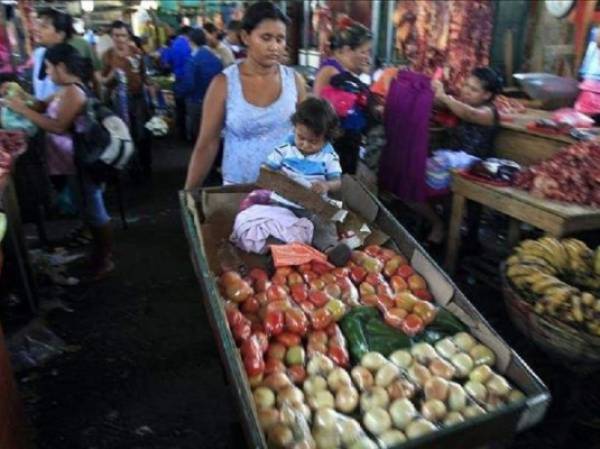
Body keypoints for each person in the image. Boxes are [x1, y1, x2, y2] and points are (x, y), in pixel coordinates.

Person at [5, 44, 114, 279]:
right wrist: (19, 97)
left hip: (82, 162)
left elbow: (57, 125)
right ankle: (97, 252)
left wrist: (22, 110)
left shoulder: (75, 92)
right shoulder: (62, 89)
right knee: (86, 208)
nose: (47, 72)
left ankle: (105, 258)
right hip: (69, 163)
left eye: (48, 67)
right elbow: (41, 106)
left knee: (95, 211)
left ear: (61, 66)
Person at [185, 1, 306, 189]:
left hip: (288, 189)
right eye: (266, 38)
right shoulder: (223, 84)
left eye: (280, 39)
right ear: (246, 37)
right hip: (239, 191)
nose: (274, 46)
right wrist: (189, 193)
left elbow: (306, 135)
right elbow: (207, 144)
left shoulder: (294, 81)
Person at [416, 67, 502, 244]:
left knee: (421, 180)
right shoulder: (462, 103)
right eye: (466, 86)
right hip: (453, 163)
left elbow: (468, 114)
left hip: (474, 166)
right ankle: (440, 224)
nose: (466, 91)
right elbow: (441, 103)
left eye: (473, 89)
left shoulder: (489, 112)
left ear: (487, 95)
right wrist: (433, 91)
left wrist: (444, 97)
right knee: (414, 181)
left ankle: (444, 228)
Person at [313, 24, 373, 175]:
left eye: (368, 52)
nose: (367, 56)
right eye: (363, 52)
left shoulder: (341, 69)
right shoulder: (331, 70)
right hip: (335, 142)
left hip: (344, 140)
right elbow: (318, 107)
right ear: (346, 50)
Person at [101, 21, 153, 176]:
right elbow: (104, 81)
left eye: (122, 35)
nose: (119, 39)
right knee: (124, 136)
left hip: (138, 100)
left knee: (142, 135)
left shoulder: (136, 52)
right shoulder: (108, 56)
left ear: (127, 36)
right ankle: (130, 169)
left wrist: (151, 91)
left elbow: (144, 76)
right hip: (118, 102)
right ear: (111, 37)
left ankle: (146, 168)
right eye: (116, 35)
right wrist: (112, 75)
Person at [32, 8, 101, 100]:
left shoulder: (69, 59)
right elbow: (41, 98)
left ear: (60, 34)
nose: (38, 30)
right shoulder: (38, 54)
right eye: (39, 25)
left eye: (44, 27)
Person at [180, 28, 223, 142]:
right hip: (214, 101)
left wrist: (179, 91)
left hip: (196, 101)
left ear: (191, 42)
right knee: (213, 135)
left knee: (199, 135)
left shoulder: (193, 60)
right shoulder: (215, 57)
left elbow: (189, 84)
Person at [160, 26, 192, 140]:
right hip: (189, 80)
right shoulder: (189, 45)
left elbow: (166, 63)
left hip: (178, 80)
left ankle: (182, 135)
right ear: (188, 34)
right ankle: (191, 135)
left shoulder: (173, 44)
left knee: (180, 110)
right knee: (190, 110)